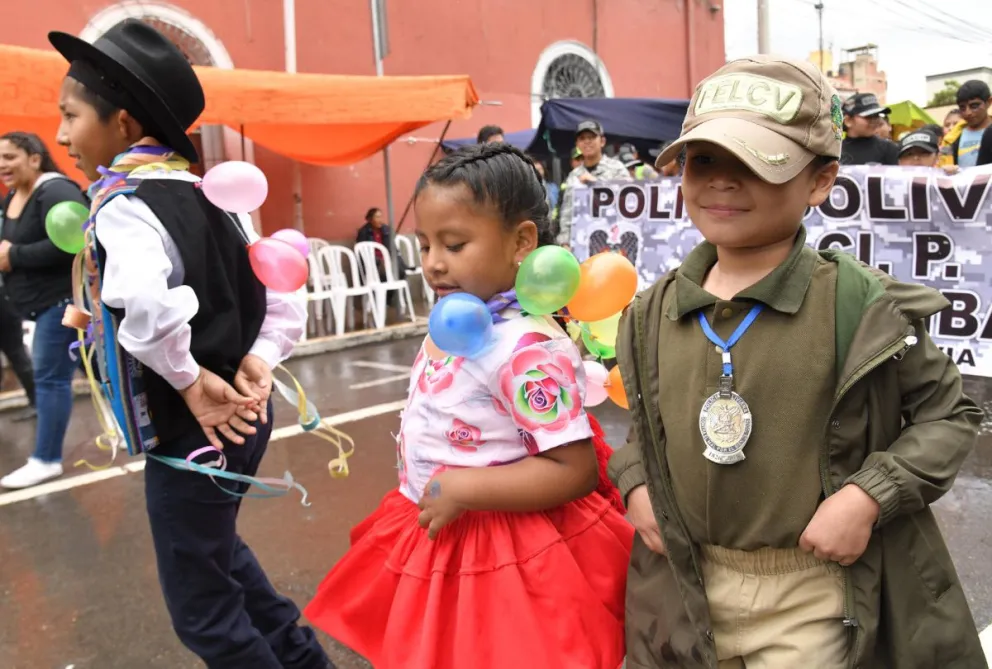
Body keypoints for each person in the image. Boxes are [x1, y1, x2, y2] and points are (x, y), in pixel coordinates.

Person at [610, 55, 986, 668]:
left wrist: (867, 496)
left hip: (811, 595)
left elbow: (948, 414)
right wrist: (634, 483)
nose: (722, 182)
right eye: (704, 159)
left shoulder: (863, 306)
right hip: (684, 586)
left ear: (821, 180)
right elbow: (646, 432)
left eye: (757, 163)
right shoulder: (650, 313)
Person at [47, 20, 333, 669]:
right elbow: (277, 288)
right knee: (222, 555)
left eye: (69, 115)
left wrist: (187, 379)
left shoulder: (123, 203)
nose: (61, 135)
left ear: (121, 123)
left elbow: (147, 306)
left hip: (195, 433)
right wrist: (259, 359)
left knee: (203, 610)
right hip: (243, 419)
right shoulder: (214, 196)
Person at [305, 143, 633, 669]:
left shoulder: (525, 349)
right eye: (425, 244)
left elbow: (573, 470)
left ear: (522, 241)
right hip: (443, 521)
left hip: (503, 545)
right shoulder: (459, 317)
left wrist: (466, 487)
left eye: (454, 244)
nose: (434, 263)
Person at [0, 132, 88, 487]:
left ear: (34, 158)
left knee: (50, 378)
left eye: (10, 157)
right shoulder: (12, 197)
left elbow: (76, 241)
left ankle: (46, 458)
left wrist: (13, 256)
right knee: (94, 368)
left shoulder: (54, 191)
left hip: (62, 302)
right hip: (36, 306)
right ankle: (144, 425)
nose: (3, 165)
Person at [557, 120, 631, 247]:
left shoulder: (617, 169)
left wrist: (598, 185)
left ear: (602, 141)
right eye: (582, 138)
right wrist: (565, 242)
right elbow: (567, 212)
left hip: (611, 240)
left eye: (592, 137)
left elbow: (630, 203)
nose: (587, 141)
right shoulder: (573, 175)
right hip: (581, 243)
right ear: (577, 144)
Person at [356, 206, 407, 307]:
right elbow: (362, 252)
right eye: (377, 217)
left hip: (386, 259)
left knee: (400, 272)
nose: (380, 220)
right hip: (373, 262)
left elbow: (392, 248)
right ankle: (381, 300)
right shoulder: (364, 232)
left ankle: (388, 298)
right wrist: (378, 261)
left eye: (381, 217)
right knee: (384, 274)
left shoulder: (386, 230)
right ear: (370, 219)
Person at [0, 287, 36, 421]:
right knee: (19, 356)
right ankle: (37, 402)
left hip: (5, 306)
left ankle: (37, 402)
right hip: (7, 302)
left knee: (18, 356)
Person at [839, 93, 899, 165]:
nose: (874, 120)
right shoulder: (834, 150)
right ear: (848, 121)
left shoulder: (889, 149)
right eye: (868, 116)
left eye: (876, 115)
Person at [948, 80, 991, 167]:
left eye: (974, 106)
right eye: (962, 108)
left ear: (989, 102)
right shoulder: (954, 136)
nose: (968, 112)